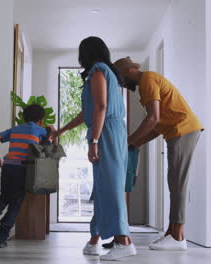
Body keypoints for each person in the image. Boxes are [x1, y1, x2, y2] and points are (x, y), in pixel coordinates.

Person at [54, 36, 137, 261]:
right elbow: (88, 112)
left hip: (107, 132)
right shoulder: (106, 72)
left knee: (110, 187)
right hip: (112, 130)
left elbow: (101, 106)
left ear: (86, 54)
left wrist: (95, 141)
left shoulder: (98, 71)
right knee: (103, 187)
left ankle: (123, 242)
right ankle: (95, 239)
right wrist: (60, 131)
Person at [113, 57, 204, 251]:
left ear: (129, 70)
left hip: (183, 130)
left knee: (177, 182)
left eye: (120, 77)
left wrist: (128, 140)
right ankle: (172, 234)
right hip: (177, 131)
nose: (120, 82)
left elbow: (152, 119)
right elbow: (157, 125)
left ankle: (178, 237)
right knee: (174, 182)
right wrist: (135, 143)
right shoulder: (148, 82)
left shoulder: (147, 80)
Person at [0, 104, 53, 248]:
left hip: (8, 166)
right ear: (41, 120)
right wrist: (52, 132)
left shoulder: (15, 129)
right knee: (15, 203)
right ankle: (1, 237)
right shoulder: (40, 130)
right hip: (24, 168)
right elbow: (51, 148)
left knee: (5, 195)